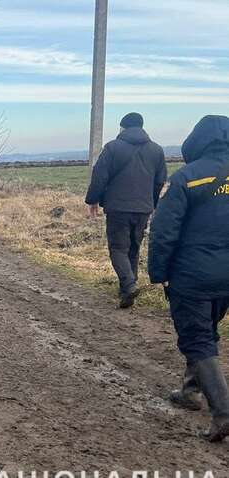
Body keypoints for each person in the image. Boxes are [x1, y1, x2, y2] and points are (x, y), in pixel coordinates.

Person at [148, 115, 229, 442]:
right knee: (206, 330)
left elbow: (164, 233)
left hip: (192, 274)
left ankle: (223, 413)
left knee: (196, 338)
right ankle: (191, 390)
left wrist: (159, 273)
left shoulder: (187, 177)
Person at [86, 112, 167, 309]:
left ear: (122, 128)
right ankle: (127, 290)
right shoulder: (156, 150)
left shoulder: (112, 148)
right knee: (133, 248)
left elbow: (100, 176)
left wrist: (93, 200)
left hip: (118, 208)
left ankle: (129, 285)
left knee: (118, 249)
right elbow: (159, 180)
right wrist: (152, 203)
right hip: (143, 208)